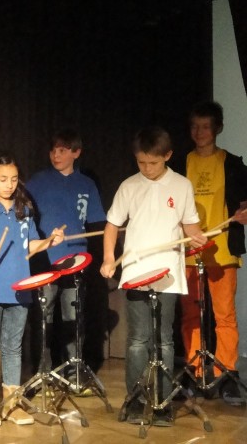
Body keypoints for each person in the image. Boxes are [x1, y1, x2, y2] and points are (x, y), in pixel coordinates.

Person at [100, 126, 206, 427]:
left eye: (153, 163)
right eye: (141, 162)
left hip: (168, 273)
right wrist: (108, 258)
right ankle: (136, 400)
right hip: (136, 270)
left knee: (164, 341)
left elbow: (190, 225)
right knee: (138, 339)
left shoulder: (182, 185)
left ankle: (162, 401)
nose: (146, 168)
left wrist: (196, 236)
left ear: (167, 156)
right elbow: (112, 224)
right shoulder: (129, 186)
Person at [0, 152, 65, 426]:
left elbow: (30, 245)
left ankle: (12, 404)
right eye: (3, 179)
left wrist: (49, 242)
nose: (9, 185)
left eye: (14, 179)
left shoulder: (23, 210)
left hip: (19, 288)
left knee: (13, 347)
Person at [179, 101, 247, 406]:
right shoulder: (180, 164)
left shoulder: (232, 163)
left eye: (205, 126)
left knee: (224, 316)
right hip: (188, 249)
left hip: (222, 251)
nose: (199, 132)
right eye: (195, 126)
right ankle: (193, 370)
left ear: (217, 128)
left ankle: (227, 374)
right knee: (190, 315)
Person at [25, 128, 106, 378]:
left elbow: (96, 221)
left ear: (76, 153)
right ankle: (42, 372)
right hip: (45, 259)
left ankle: (74, 371)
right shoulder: (37, 182)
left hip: (74, 260)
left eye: (62, 150)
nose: (56, 155)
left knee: (73, 315)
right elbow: (23, 218)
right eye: (53, 150)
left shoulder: (87, 185)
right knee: (43, 317)